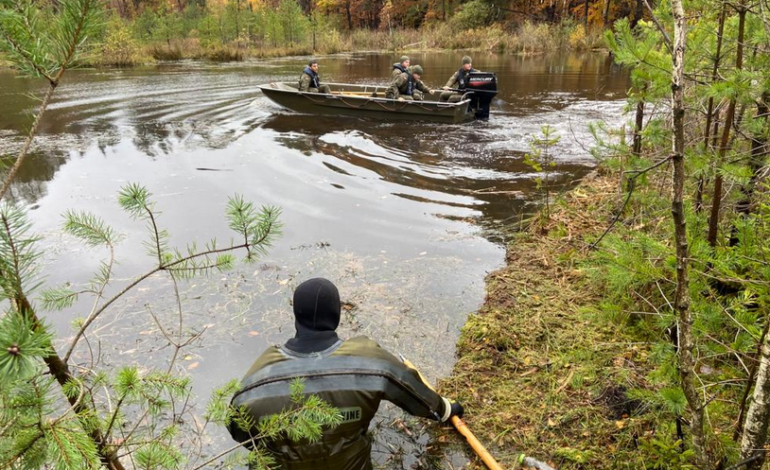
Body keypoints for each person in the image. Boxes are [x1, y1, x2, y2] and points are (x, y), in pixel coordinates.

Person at [229, 278, 464, 470]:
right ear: (336, 314)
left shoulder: (256, 381)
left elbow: (240, 432)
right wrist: (445, 410)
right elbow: (415, 395)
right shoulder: (368, 361)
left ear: (296, 315)